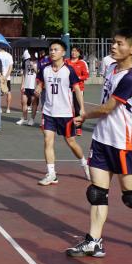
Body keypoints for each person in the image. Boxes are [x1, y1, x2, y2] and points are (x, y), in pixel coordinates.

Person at [67, 28, 132, 259]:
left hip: (124, 142)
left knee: (131, 195)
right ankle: (94, 241)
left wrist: (84, 115)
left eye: (120, 44)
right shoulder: (111, 68)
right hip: (102, 139)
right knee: (97, 193)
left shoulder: (130, 78)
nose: (113, 46)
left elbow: (108, 108)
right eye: (113, 42)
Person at [34, 39, 88, 185]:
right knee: (47, 140)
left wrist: (82, 108)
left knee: (71, 142)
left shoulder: (69, 70)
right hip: (48, 112)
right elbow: (40, 83)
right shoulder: (45, 69)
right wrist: (38, 87)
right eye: (51, 50)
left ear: (63, 52)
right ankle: (51, 173)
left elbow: (77, 89)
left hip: (65, 113)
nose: (52, 52)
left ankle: (84, 164)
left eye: (56, 49)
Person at [17, 53, 39, 126]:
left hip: (34, 85)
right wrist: (22, 84)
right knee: (24, 102)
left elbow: (39, 73)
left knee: (34, 103)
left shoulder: (38, 61)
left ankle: (32, 119)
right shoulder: (25, 61)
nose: (31, 54)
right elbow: (23, 73)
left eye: (32, 52)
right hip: (26, 85)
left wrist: (34, 66)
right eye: (30, 52)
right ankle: (25, 118)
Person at [0, 46, 14, 115]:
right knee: (8, 92)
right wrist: (6, 76)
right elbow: (10, 67)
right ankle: (8, 109)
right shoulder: (9, 55)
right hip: (7, 77)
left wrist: (2, 76)